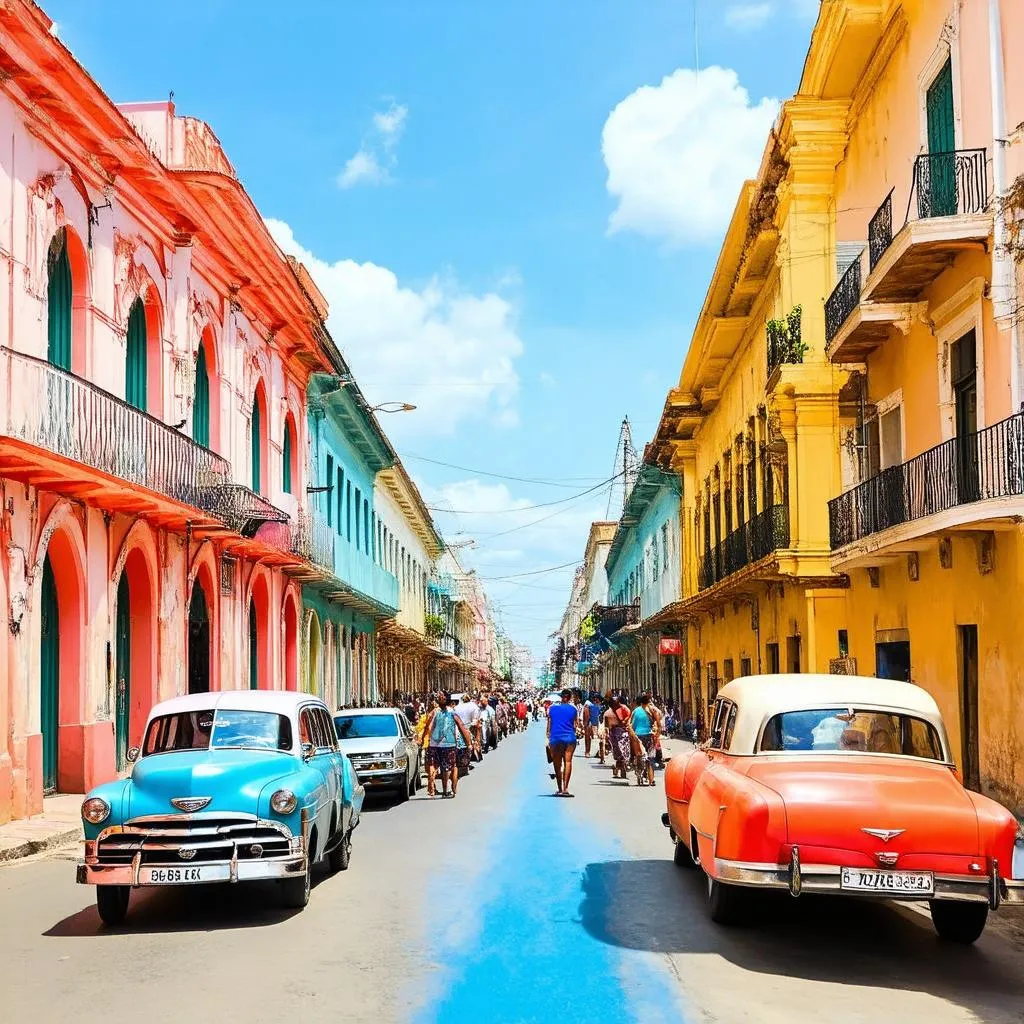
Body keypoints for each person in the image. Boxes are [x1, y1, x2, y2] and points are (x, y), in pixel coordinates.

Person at [424, 693, 473, 798]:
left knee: (433, 765)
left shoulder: (434, 712)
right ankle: (446, 789)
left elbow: (428, 726)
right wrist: (468, 743)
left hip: (434, 744)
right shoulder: (452, 713)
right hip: (449, 744)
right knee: (448, 767)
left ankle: (431, 783)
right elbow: (461, 727)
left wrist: (426, 738)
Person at [547, 688, 579, 797]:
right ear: (570, 698)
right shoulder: (573, 710)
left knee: (557, 763)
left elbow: (549, 727)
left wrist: (548, 739)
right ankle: (566, 788)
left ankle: (559, 789)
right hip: (570, 738)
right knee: (568, 762)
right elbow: (575, 725)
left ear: (561, 697)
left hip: (555, 738)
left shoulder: (552, 709)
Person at [631, 693, 659, 786]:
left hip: (638, 736)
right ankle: (652, 780)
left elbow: (632, 725)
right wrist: (657, 734)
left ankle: (639, 776)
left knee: (639, 755)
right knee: (650, 758)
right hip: (650, 735)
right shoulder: (652, 710)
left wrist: (633, 735)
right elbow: (659, 723)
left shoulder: (635, 711)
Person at [603, 694, 633, 781]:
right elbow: (606, 726)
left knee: (623, 750)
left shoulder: (623, 708)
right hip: (614, 733)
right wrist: (607, 737)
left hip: (623, 732)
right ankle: (618, 767)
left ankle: (623, 767)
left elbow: (629, 714)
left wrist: (624, 721)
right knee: (617, 752)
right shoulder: (608, 712)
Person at [454, 692, 482, 765]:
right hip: (469, 728)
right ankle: (466, 762)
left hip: (458, 728)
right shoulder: (474, 707)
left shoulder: (457, 707)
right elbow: (476, 721)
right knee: (469, 745)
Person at [582, 691, 602, 758]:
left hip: (597, 723)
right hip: (590, 723)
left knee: (599, 738)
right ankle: (587, 751)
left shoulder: (596, 705)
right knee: (588, 737)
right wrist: (585, 724)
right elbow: (586, 715)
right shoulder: (588, 705)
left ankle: (600, 752)